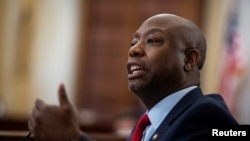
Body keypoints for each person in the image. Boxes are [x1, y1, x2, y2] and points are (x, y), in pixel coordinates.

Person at [28, 13, 238, 141]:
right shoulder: (148, 124)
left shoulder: (207, 116)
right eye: (133, 43)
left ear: (189, 60)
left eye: (153, 41)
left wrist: (73, 139)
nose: (134, 50)